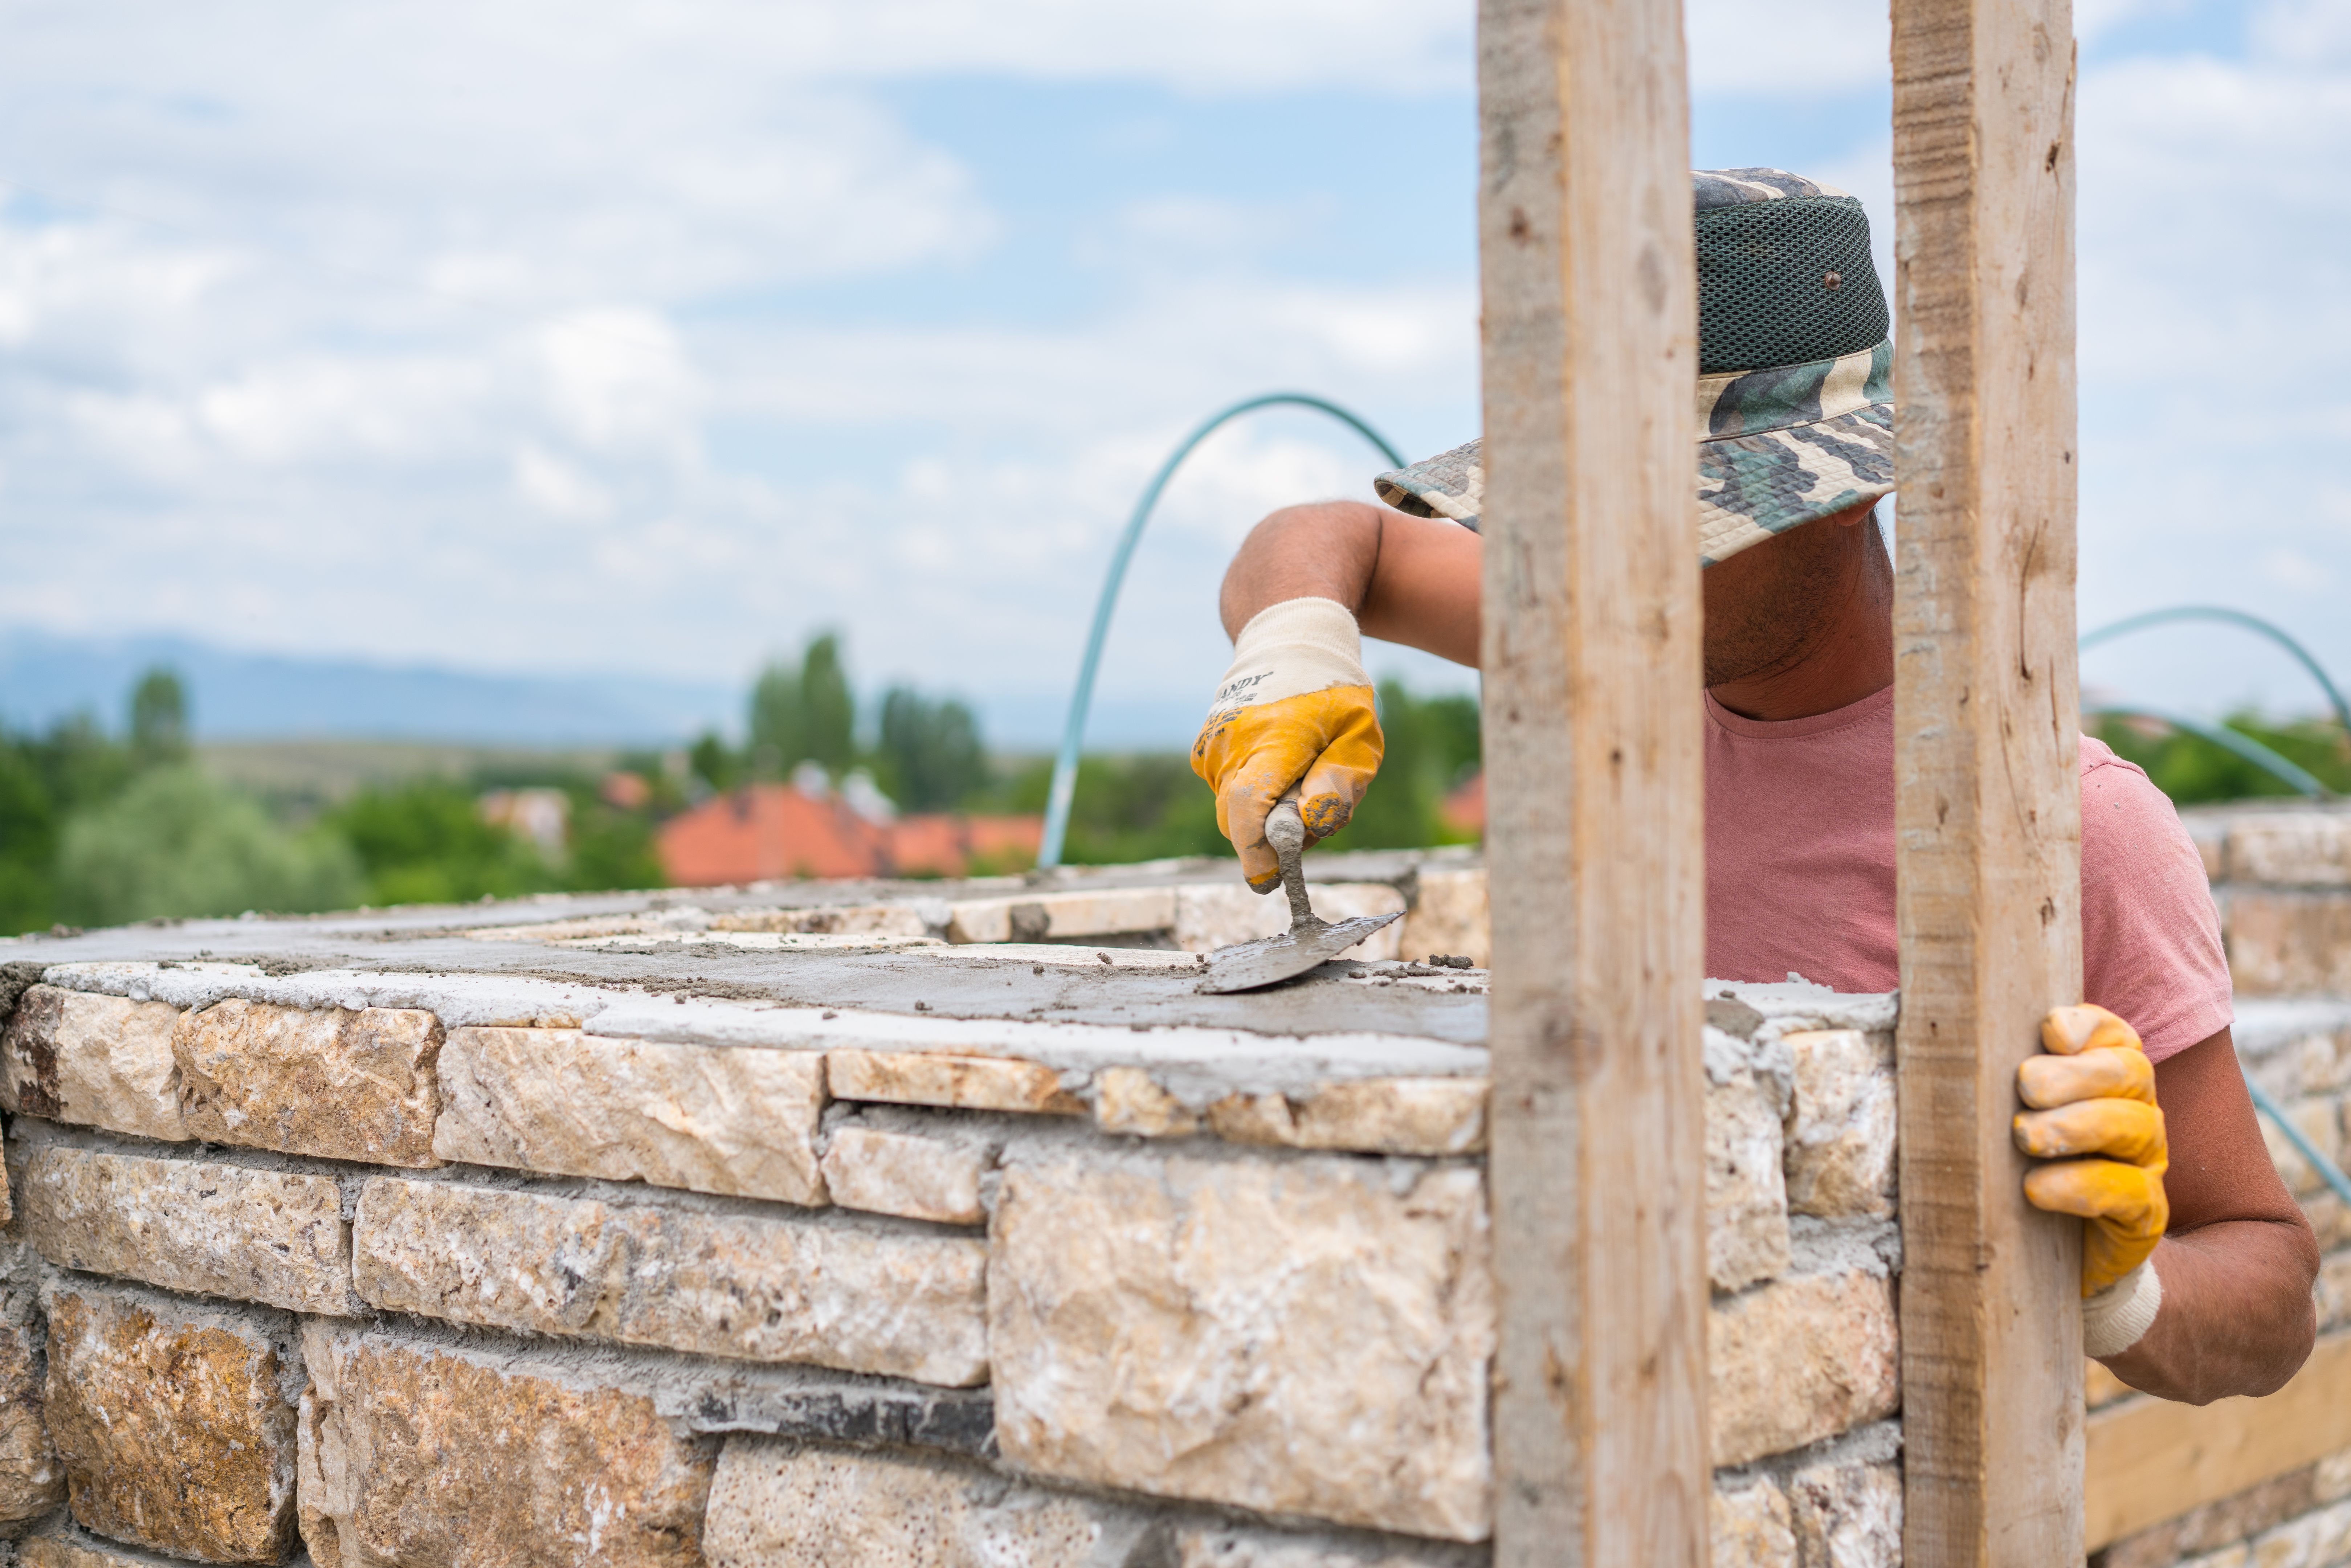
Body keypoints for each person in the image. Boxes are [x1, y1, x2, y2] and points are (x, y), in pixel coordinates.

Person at [1190, 168, 2317, 1403]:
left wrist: (2125, 1291)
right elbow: (1321, 535)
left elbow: (2268, 1294)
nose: (1619, 571)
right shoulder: (1622, 640)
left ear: (1841, 495)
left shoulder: (2072, 830)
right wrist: (1294, 642)